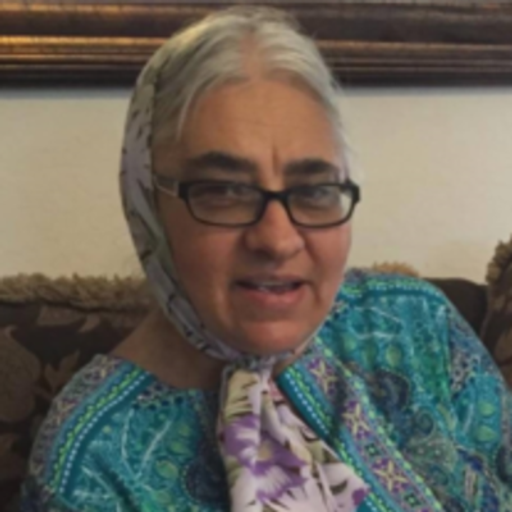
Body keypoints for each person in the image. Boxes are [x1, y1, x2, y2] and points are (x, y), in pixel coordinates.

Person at [21, 6, 512, 512]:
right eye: (224, 191)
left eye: (314, 190)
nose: (277, 240)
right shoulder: (87, 467)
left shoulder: (418, 326)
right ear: (148, 206)